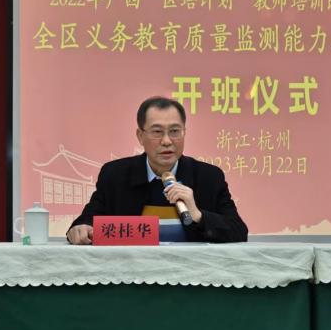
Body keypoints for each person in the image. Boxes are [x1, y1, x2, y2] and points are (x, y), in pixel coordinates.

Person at [67, 96, 248, 244]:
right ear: (140, 136)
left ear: (184, 132)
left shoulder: (208, 177)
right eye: (157, 132)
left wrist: (198, 216)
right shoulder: (115, 175)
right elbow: (87, 221)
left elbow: (238, 231)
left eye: (175, 131)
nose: (167, 141)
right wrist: (81, 229)